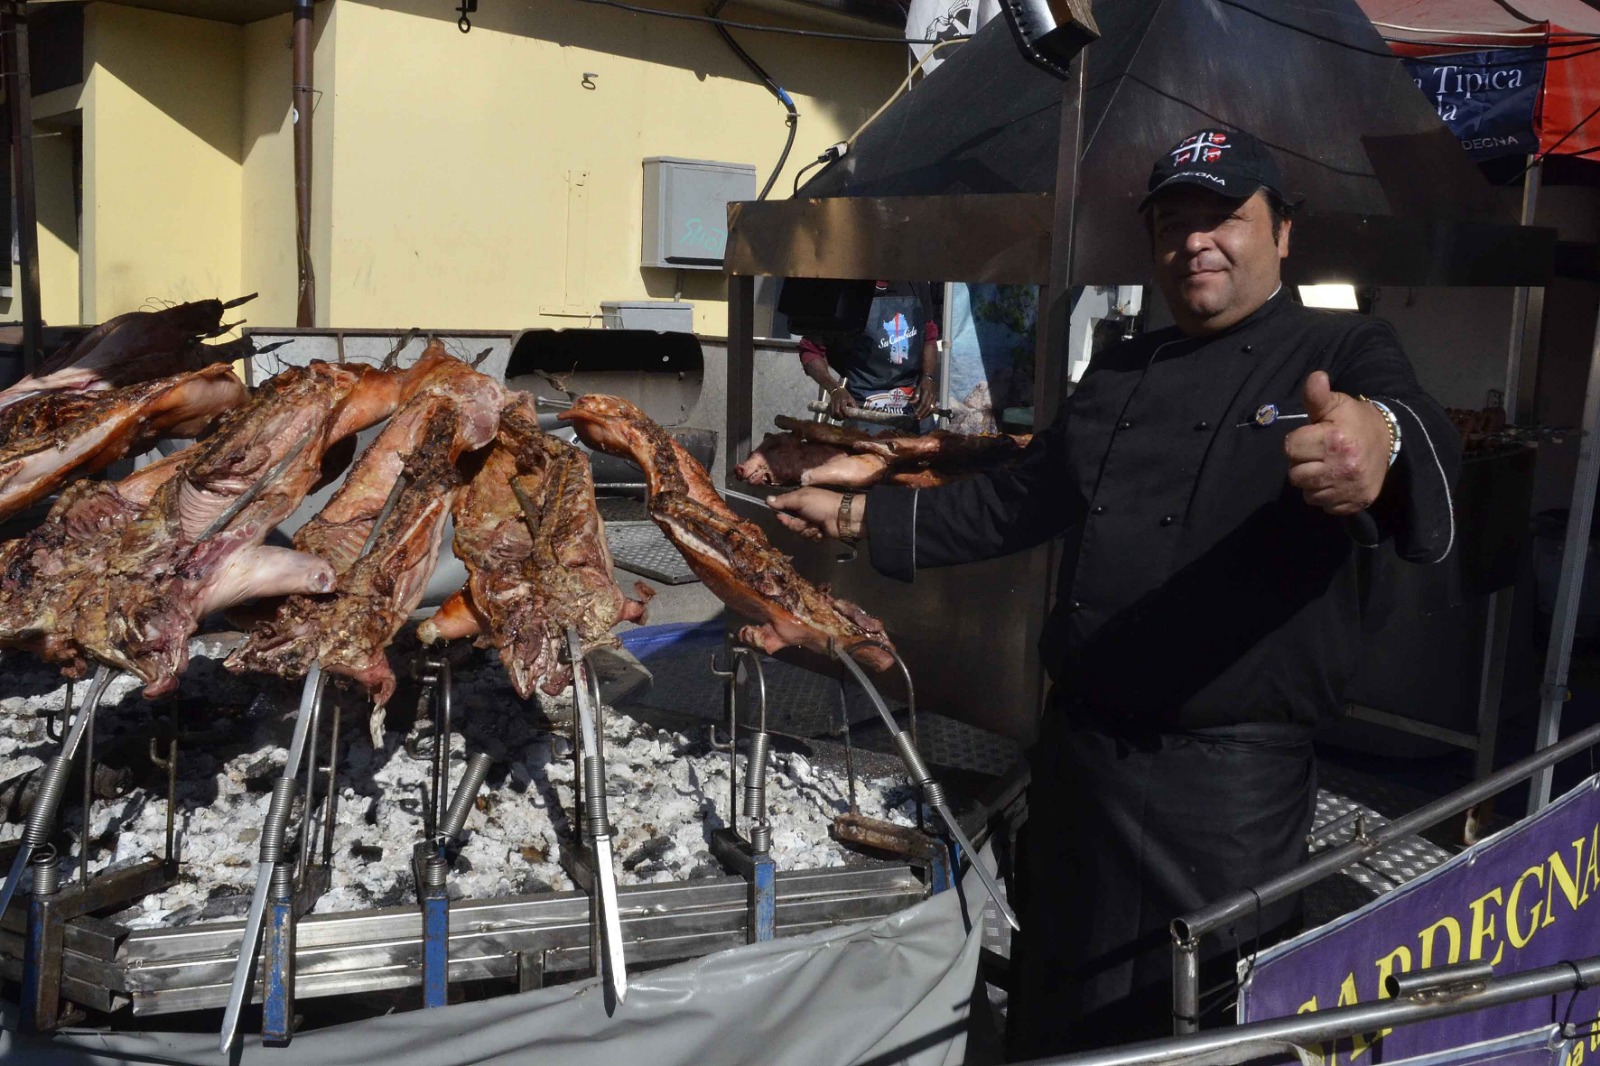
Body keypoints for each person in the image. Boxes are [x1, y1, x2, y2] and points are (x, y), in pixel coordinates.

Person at [768, 129, 1459, 1057]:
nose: (1195, 243)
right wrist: (859, 521)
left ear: (1283, 233)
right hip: (1082, 761)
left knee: (1205, 1027)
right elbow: (1019, 502)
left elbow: (1409, 423)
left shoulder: (1341, 347)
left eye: (1224, 219)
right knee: (1062, 1001)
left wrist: (1381, 443)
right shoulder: (1124, 366)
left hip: (1227, 793)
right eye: (1173, 224)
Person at [797, 279, 941, 431]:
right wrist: (834, 389)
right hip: (865, 415)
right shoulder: (840, 289)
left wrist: (928, 378)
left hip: (915, 413)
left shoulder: (915, 281)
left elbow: (929, 335)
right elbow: (810, 349)